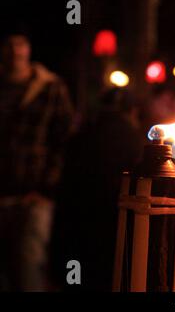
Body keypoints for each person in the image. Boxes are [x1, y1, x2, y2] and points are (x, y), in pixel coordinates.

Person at [0, 26, 73, 291]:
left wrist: (46, 188)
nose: (14, 51)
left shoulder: (50, 88)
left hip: (33, 196)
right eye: (9, 45)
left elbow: (65, 140)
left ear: (29, 49)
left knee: (28, 264)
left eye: (20, 44)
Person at [50, 88, 143, 291]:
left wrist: (59, 264)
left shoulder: (79, 139)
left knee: (78, 283)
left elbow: (64, 196)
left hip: (78, 239)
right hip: (120, 238)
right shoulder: (139, 145)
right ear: (133, 112)